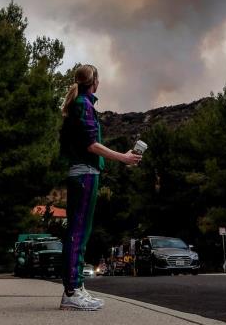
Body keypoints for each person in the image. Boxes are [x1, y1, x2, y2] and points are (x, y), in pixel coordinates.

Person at [58, 64, 141, 311]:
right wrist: (124, 158)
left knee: (80, 232)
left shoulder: (81, 103)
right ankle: (72, 292)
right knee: (78, 233)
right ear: (96, 82)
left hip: (84, 174)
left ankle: (76, 287)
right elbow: (91, 144)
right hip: (84, 175)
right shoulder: (83, 105)